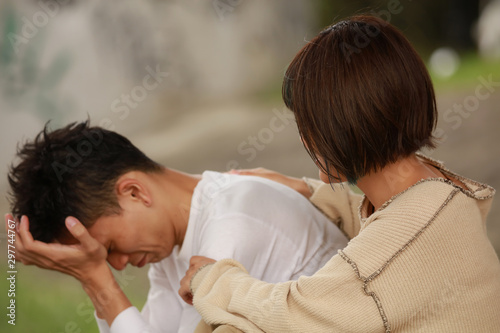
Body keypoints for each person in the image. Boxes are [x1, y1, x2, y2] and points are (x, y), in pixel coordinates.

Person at [178, 15, 500, 332]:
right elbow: (388, 228)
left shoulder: (402, 244)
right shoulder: (433, 189)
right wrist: (305, 191)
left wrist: (211, 279)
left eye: (309, 124)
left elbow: (293, 314)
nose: (305, 138)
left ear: (346, 124)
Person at [6, 121, 348, 333]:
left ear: (134, 192)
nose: (119, 264)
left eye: (109, 248)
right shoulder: (178, 240)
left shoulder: (231, 221)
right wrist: (94, 280)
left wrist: (96, 280)